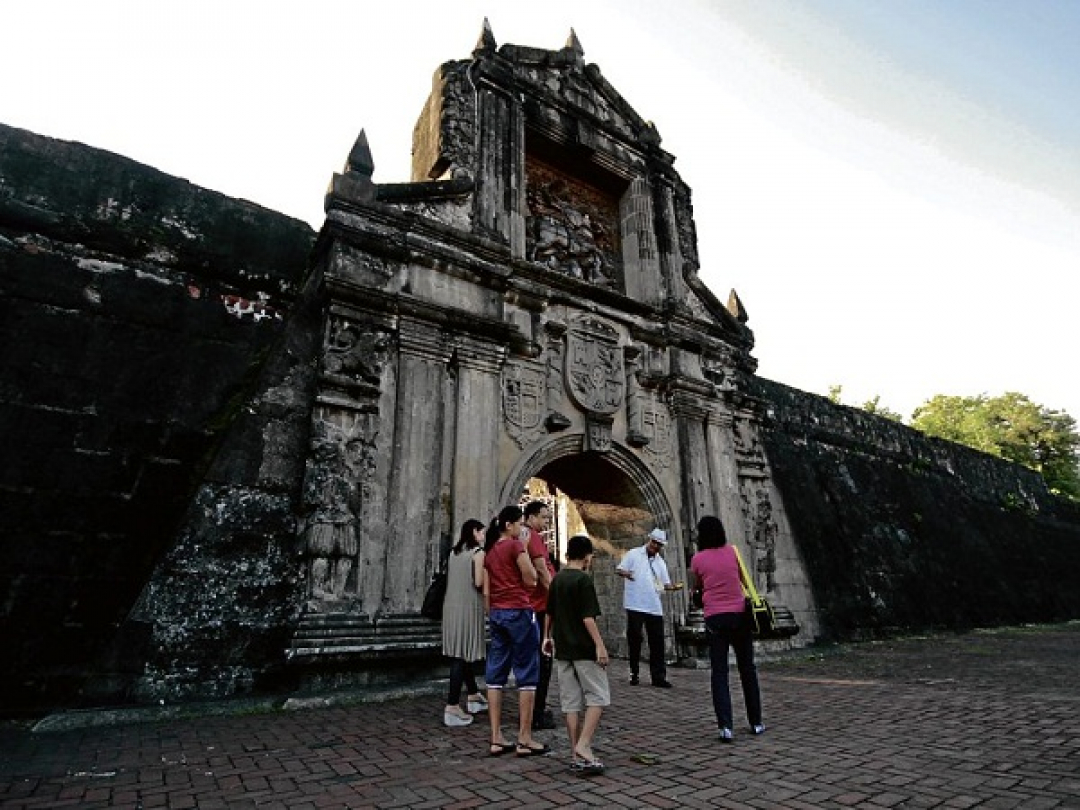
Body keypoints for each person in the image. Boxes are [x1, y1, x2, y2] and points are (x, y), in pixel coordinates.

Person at [689, 514, 764, 742]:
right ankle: (757, 722)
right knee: (747, 669)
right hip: (739, 614)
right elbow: (742, 579)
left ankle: (725, 726)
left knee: (720, 673)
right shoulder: (733, 552)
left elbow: (696, 590)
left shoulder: (698, 559)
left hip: (715, 618)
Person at [482, 505, 549, 757]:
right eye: (520, 523)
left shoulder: (489, 552)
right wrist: (522, 547)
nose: (523, 528)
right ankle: (524, 737)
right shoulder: (514, 545)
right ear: (509, 525)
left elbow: (486, 589)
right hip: (519, 610)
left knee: (495, 675)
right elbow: (531, 578)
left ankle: (496, 737)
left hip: (497, 613)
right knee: (527, 672)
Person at [542, 534, 610, 775]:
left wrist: (546, 637)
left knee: (570, 703)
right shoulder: (583, 580)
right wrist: (600, 645)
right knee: (598, 697)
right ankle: (583, 745)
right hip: (583, 648)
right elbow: (588, 617)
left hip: (563, 649)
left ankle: (575, 754)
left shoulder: (557, 579)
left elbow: (548, 612)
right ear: (586, 556)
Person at [615, 527, 684, 688]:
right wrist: (627, 574)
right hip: (635, 603)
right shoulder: (633, 554)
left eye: (659, 545)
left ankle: (658, 676)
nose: (655, 546)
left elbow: (665, 584)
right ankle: (634, 673)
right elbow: (619, 569)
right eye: (654, 543)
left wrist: (673, 587)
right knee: (635, 639)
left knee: (657, 641)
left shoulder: (660, 562)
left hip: (653, 605)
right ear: (649, 540)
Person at [441, 519, 489, 727]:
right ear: (474, 532)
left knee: (462, 652)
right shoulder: (478, 553)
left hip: (451, 606)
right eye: (481, 532)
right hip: (469, 607)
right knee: (461, 656)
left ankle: (473, 694)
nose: (483, 536)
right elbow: (478, 582)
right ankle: (452, 706)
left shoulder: (454, 552)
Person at [523, 500, 556, 731]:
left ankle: (535, 711)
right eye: (544, 517)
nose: (546, 522)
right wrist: (557, 598)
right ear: (532, 516)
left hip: (533, 606)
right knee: (543, 659)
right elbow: (543, 572)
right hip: (538, 607)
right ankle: (537, 713)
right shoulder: (531, 536)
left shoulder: (527, 535)